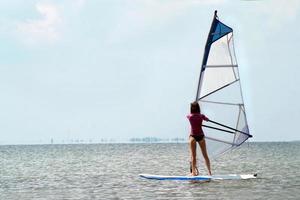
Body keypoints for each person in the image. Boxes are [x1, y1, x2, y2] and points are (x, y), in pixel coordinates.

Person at [187, 101, 212, 176]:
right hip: (201, 136)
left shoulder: (189, 116)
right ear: (198, 108)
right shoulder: (201, 116)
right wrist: (205, 118)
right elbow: (207, 119)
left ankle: (193, 173)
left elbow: (188, 116)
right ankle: (209, 172)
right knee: (205, 155)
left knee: (193, 156)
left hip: (193, 136)